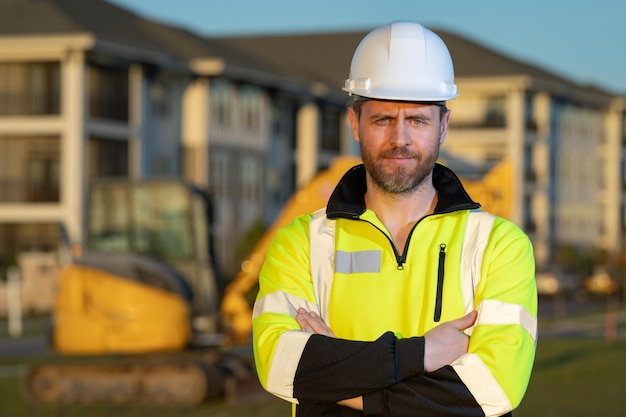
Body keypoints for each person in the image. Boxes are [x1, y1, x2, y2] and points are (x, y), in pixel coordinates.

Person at [252, 20, 537, 417]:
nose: (399, 138)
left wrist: (338, 380)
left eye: (417, 120)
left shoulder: (500, 245)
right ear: (355, 123)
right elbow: (282, 367)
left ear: (443, 126)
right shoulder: (301, 242)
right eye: (383, 119)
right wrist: (421, 354)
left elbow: (491, 390)